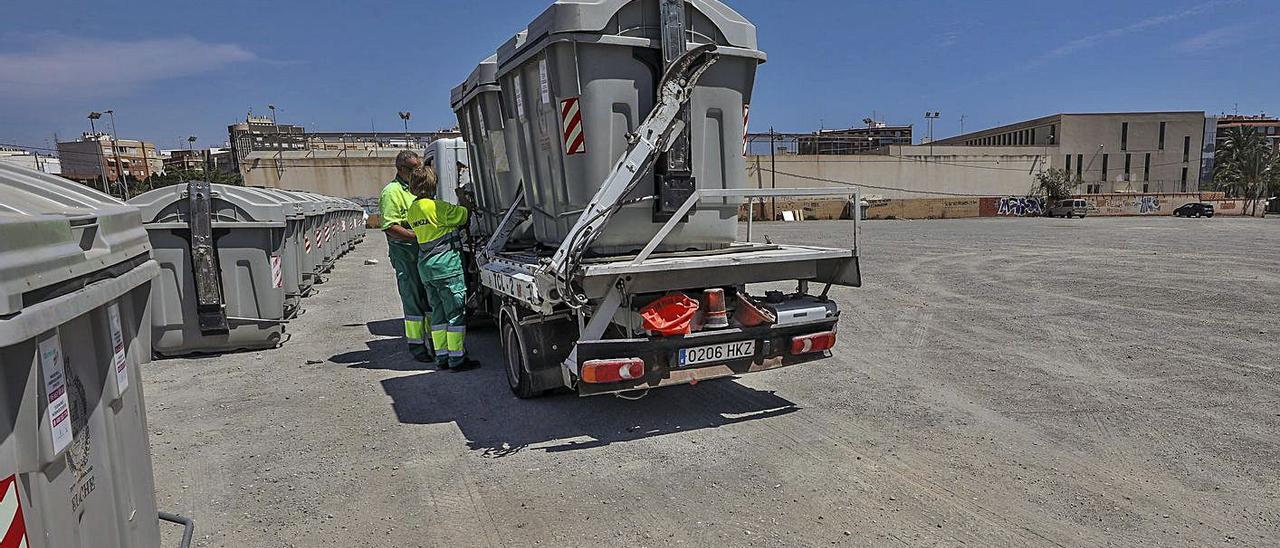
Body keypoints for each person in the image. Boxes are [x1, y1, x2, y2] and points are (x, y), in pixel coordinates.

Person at [406, 165, 477, 371]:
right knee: (455, 313)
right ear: (432, 184)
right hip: (446, 267)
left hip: (426, 269)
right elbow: (464, 216)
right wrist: (465, 199)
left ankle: (442, 357)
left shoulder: (413, 210)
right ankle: (457, 359)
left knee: (437, 314)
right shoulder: (437, 207)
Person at [378, 150, 432, 363]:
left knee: (429, 299)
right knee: (413, 301)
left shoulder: (417, 187)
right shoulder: (392, 192)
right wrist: (419, 237)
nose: (417, 172)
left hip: (423, 252)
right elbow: (390, 226)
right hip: (406, 254)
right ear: (400, 169)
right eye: (413, 169)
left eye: (419, 168)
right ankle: (418, 347)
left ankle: (435, 343)